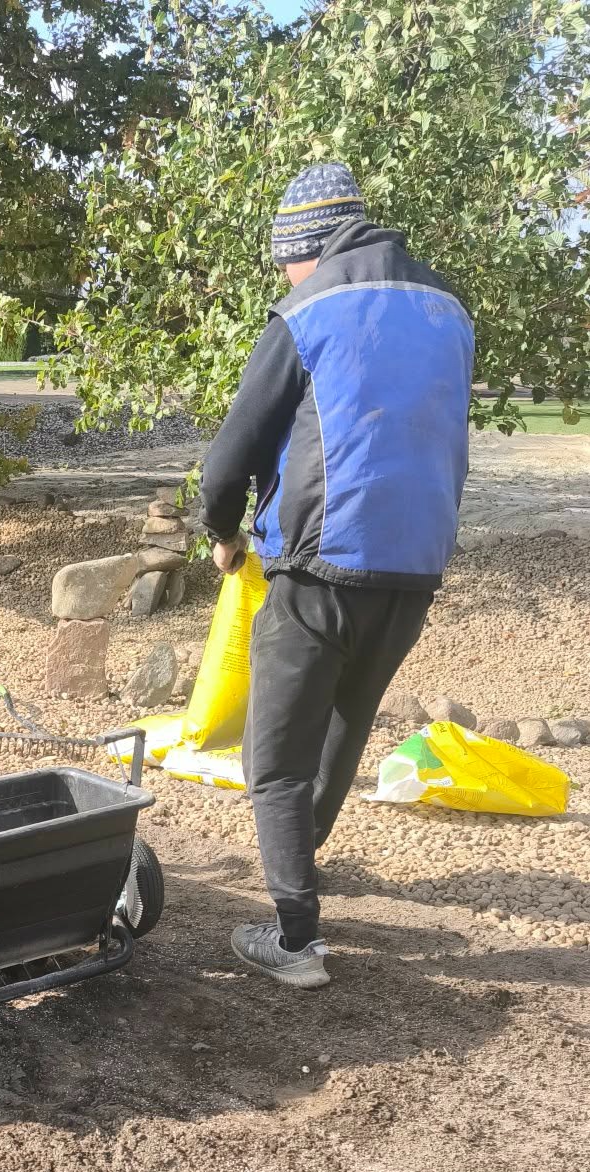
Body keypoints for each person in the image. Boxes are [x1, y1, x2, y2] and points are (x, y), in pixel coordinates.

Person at [199, 163, 474, 987]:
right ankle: (301, 875)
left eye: (284, 259)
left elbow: (230, 455)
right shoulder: (449, 309)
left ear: (307, 247)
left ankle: (294, 939)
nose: (282, 275)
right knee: (343, 725)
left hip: (321, 564)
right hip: (415, 567)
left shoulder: (309, 307)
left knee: (275, 755)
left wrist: (220, 532)